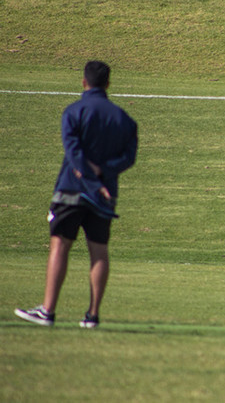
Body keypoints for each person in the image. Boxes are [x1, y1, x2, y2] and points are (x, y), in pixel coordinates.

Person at [15, 61, 138, 328]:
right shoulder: (125, 120)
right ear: (108, 84)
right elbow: (128, 158)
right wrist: (104, 173)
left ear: (83, 82)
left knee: (60, 245)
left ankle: (47, 311)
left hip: (70, 190)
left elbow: (74, 154)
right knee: (99, 251)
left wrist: (91, 176)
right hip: (105, 196)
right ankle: (92, 316)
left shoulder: (73, 112)